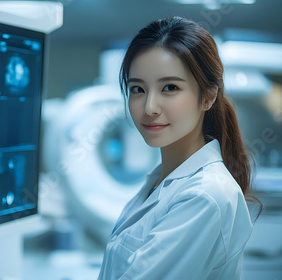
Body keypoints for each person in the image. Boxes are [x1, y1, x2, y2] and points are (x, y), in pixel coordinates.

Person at [97, 17, 259, 280]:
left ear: (208, 96)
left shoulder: (204, 197)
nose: (149, 107)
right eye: (137, 89)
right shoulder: (160, 181)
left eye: (170, 88)